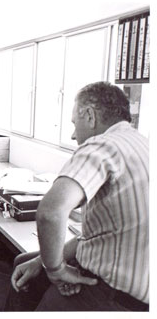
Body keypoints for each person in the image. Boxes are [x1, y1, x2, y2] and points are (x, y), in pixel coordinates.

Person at [8, 81, 149, 311]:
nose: (73, 135)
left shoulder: (103, 145)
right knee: (25, 263)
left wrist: (56, 271)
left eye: (75, 123)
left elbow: (50, 213)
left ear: (90, 116)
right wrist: (42, 262)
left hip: (110, 295)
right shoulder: (144, 145)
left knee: (32, 283)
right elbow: (96, 234)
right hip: (143, 296)